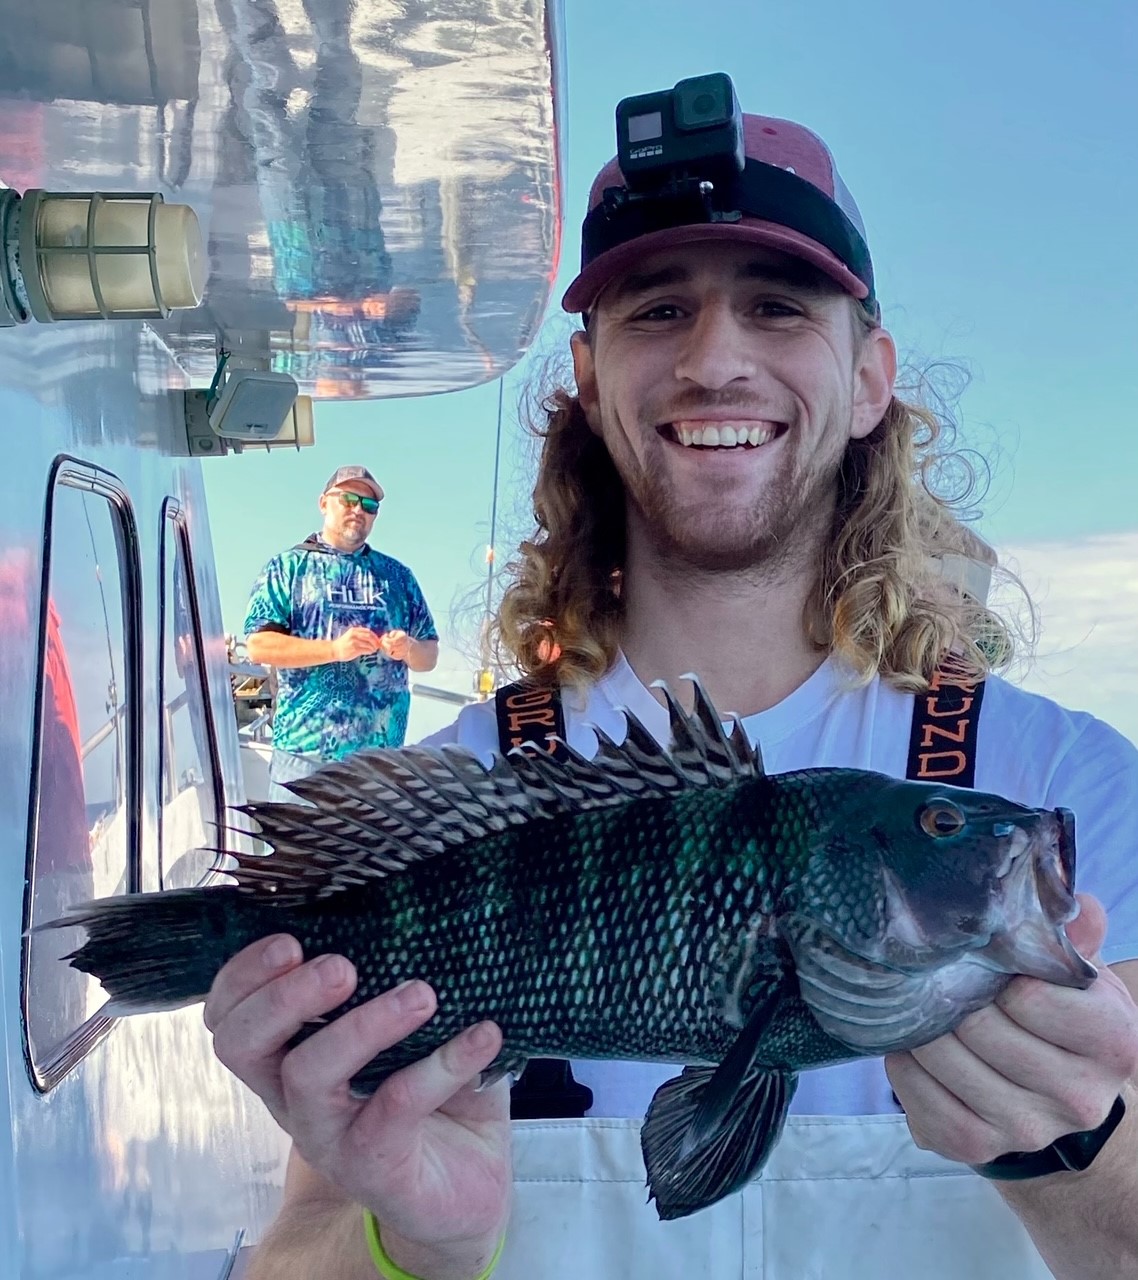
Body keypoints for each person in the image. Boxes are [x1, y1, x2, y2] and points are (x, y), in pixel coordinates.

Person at [210, 91, 1138, 1279]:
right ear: (591, 383)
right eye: (657, 310)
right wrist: (415, 1244)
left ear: (868, 379)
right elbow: (295, 1252)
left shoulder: (1071, 782)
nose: (713, 359)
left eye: (777, 305)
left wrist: (1080, 1153)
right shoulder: (458, 798)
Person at [244, 465, 439, 800]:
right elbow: (259, 645)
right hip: (304, 760)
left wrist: (408, 648)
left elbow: (429, 655)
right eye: (348, 499)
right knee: (298, 839)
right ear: (324, 503)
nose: (358, 510)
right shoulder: (288, 567)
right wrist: (335, 650)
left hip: (380, 767)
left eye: (369, 505)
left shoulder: (398, 577)